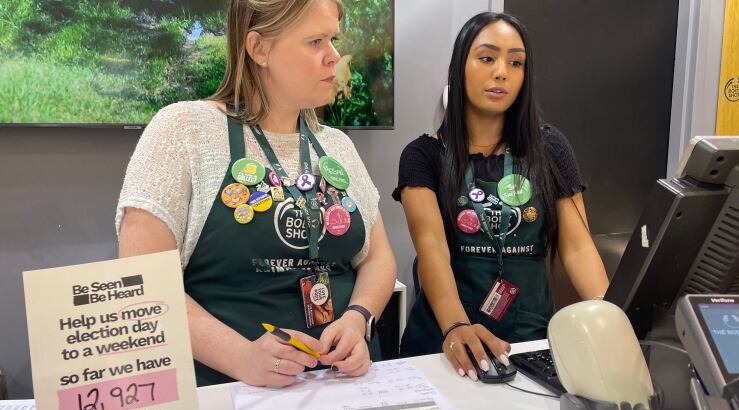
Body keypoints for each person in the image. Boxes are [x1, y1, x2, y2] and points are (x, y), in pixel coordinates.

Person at [116, 0, 396, 388]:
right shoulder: (183, 131)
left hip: (341, 388)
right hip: (228, 393)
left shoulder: (337, 146)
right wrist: (243, 357)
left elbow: (377, 257)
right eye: (315, 41)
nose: (335, 56)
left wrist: (358, 317)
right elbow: (141, 282)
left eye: (333, 39)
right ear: (259, 48)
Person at [393, 12, 609, 381]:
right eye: (487, 58)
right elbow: (432, 249)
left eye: (516, 62)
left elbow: (578, 248)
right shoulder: (423, 155)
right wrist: (456, 328)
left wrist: (613, 321)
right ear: (459, 67)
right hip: (445, 345)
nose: (502, 72)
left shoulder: (551, 148)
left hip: (528, 346)